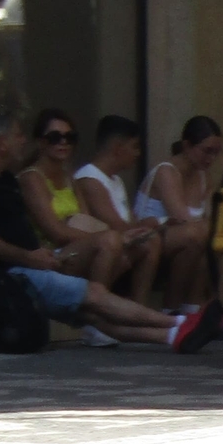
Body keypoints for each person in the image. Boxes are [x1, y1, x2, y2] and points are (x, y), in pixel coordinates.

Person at [0, 108, 223, 351]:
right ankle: (178, 320)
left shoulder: (6, 178)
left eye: (69, 137)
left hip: (34, 263)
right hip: (15, 273)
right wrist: (30, 257)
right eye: (16, 135)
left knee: (94, 314)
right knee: (95, 294)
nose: (21, 141)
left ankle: (173, 336)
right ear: (0, 143)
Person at [17, 108, 128, 302]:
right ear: (41, 142)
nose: (63, 142)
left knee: (129, 253)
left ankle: (111, 311)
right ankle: (97, 310)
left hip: (74, 246)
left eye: (70, 137)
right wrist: (103, 237)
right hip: (49, 253)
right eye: (55, 137)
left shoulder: (70, 177)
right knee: (110, 242)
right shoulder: (32, 178)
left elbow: (85, 219)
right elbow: (55, 232)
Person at [138, 115, 223, 312]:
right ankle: (173, 307)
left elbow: (214, 219)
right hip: (152, 237)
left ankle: (198, 306)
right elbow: (181, 220)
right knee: (199, 234)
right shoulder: (166, 172)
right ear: (187, 146)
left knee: (220, 236)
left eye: (216, 153)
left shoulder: (204, 176)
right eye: (206, 151)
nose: (211, 159)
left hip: (183, 241)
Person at [73, 114, 163, 304]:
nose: (138, 154)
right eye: (134, 147)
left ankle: (138, 307)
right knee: (148, 241)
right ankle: (99, 311)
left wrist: (149, 225)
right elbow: (114, 225)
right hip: (98, 248)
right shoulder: (89, 179)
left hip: (121, 243)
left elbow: (129, 223)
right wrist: (146, 226)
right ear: (117, 148)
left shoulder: (117, 180)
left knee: (152, 240)